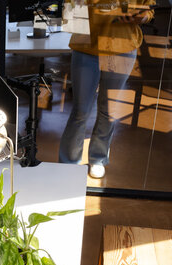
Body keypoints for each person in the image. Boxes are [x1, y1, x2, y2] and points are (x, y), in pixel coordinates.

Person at [59, 0, 155, 178]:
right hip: (87, 47)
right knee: (81, 109)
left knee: (108, 108)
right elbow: (71, 10)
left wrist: (141, 18)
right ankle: (69, 161)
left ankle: (98, 158)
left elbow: (148, 10)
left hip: (121, 46)